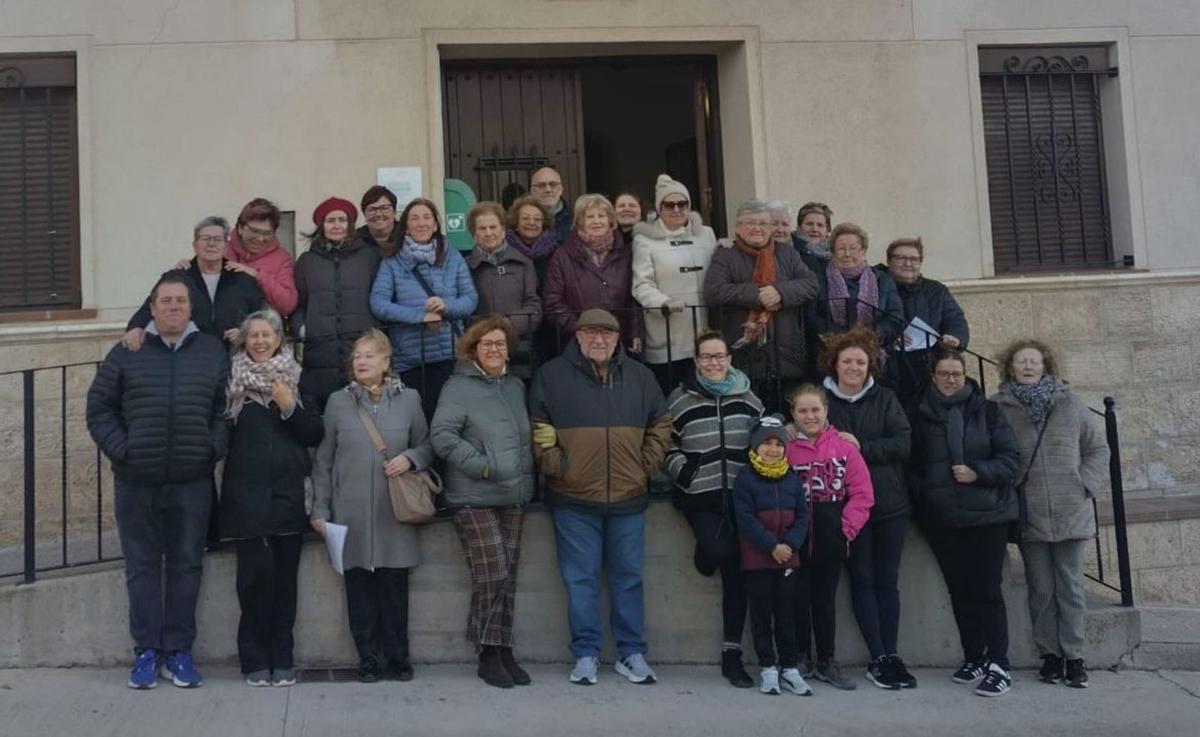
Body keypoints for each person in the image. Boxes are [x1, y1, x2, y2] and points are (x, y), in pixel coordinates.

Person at [86, 273, 230, 690]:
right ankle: (147, 651)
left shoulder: (210, 350)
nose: (173, 307)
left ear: (190, 308)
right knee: (142, 567)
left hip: (192, 480)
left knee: (187, 566)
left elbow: (223, 408)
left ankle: (180, 652)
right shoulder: (127, 351)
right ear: (152, 308)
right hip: (136, 481)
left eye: (181, 301)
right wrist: (124, 450)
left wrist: (212, 447)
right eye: (165, 300)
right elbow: (99, 408)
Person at [529, 308, 672, 686]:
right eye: (591, 333)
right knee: (581, 580)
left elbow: (661, 422)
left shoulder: (641, 377)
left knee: (629, 578)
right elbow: (539, 427)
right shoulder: (551, 376)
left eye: (607, 334)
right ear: (577, 337)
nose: (599, 340)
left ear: (618, 338)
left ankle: (631, 653)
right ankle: (587, 654)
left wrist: (645, 465)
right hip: (573, 499)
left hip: (628, 497)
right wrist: (558, 465)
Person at [310, 329, 433, 683]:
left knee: (395, 589)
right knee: (359, 591)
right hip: (351, 513)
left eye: (369, 355)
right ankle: (369, 659)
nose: (360, 361)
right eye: (357, 356)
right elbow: (324, 460)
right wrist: (320, 509)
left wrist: (410, 459)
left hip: (394, 511)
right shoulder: (338, 402)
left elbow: (426, 445)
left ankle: (398, 657)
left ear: (386, 361)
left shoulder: (409, 399)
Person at [992, 340, 1108, 689]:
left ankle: (1074, 655)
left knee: (1071, 586)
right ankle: (1049, 656)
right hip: (1030, 513)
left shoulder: (1070, 404)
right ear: (1010, 368)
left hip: (1070, 508)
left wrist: (1084, 485)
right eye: (1021, 362)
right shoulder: (998, 407)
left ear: (1046, 366)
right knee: (1040, 589)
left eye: (1034, 361)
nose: (1028, 367)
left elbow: (1097, 449)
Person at [219, 309, 323, 687]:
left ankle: (283, 657)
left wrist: (288, 406)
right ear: (244, 341)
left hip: (287, 494)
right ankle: (253, 659)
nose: (260, 341)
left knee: (284, 585)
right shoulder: (231, 382)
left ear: (279, 340)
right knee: (252, 583)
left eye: (267, 335)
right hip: (245, 497)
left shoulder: (296, 379)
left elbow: (314, 432)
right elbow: (220, 437)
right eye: (253, 336)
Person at [430, 316, 536, 689]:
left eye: (501, 344)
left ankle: (503, 649)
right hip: (473, 495)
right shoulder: (458, 387)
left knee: (508, 576)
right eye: (487, 344)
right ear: (473, 349)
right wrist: (484, 467)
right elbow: (441, 435)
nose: (495, 350)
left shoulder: (514, 385)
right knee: (491, 572)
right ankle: (488, 653)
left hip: (514, 494)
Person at [909, 348, 1020, 697]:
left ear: (965, 375)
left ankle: (999, 663)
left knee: (987, 589)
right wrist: (925, 494)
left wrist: (977, 472)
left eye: (956, 374)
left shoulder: (987, 411)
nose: (951, 380)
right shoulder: (920, 414)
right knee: (959, 591)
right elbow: (912, 464)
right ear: (933, 377)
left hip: (987, 514)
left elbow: (1010, 460)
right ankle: (974, 655)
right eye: (944, 374)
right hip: (942, 517)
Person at [665, 329, 763, 688]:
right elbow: (666, 445)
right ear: (696, 361)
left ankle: (732, 654)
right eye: (706, 357)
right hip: (699, 495)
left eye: (719, 356)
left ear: (729, 359)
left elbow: (763, 441)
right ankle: (706, 553)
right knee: (720, 550)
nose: (713, 363)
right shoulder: (679, 400)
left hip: (741, 498)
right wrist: (684, 471)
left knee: (738, 572)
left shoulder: (750, 398)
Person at [818, 327, 916, 689]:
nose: (854, 367)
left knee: (887, 581)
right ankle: (877, 656)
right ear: (835, 364)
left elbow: (903, 443)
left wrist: (862, 447)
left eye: (861, 362)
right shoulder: (824, 403)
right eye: (847, 361)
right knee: (862, 579)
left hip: (889, 503)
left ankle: (891, 654)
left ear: (870, 365)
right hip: (847, 509)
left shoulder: (886, 399)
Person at [785, 383, 874, 692]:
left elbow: (862, 494)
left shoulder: (844, 448)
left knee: (824, 600)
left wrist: (845, 529)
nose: (810, 416)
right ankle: (799, 658)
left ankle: (827, 660)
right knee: (797, 598)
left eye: (815, 410)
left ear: (826, 411)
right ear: (793, 414)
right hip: (794, 537)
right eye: (802, 410)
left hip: (830, 536)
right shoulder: (785, 448)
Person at [370, 197, 478, 421]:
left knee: (451, 420)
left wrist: (447, 306)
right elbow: (378, 303)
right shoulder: (392, 261)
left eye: (427, 217)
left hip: (450, 355)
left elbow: (470, 299)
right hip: (411, 359)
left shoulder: (453, 256)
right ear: (406, 226)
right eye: (415, 218)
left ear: (436, 224)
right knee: (420, 423)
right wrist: (420, 317)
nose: (422, 223)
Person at [704, 199, 817, 413]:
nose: (757, 228)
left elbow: (811, 284)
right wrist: (759, 295)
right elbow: (714, 291)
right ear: (738, 227)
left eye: (764, 224)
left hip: (785, 361)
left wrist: (780, 293)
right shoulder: (725, 255)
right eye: (750, 223)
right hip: (744, 360)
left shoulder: (787, 253)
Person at [733, 414, 811, 696]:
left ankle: (789, 666)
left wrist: (790, 544)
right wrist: (771, 546)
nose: (773, 449)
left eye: (778, 444)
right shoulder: (745, 478)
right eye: (766, 444)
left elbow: (803, 516)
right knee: (762, 615)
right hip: (758, 561)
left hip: (788, 560)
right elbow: (745, 518)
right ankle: (768, 666)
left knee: (786, 613)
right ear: (755, 447)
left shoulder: (791, 478)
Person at [292, 196, 382, 414]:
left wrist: (375, 330)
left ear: (350, 225)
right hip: (320, 352)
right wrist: (303, 329)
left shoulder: (369, 257)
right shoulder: (306, 261)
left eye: (342, 220)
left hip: (361, 349)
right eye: (331, 220)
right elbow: (299, 304)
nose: (337, 225)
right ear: (322, 226)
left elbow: (379, 296)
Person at [123, 216, 265, 350]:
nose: (211, 244)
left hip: (233, 358)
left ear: (226, 246)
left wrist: (245, 333)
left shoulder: (242, 280)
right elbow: (152, 305)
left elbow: (261, 316)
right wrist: (135, 327)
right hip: (190, 358)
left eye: (217, 239)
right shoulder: (177, 277)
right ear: (195, 245)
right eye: (205, 239)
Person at [632, 174, 718, 394]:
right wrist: (663, 303)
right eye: (669, 204)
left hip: (703, 334)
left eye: (683, 204)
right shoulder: (645, 239)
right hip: (668, 334)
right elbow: (642, 284)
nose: (677, 209)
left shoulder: (706, 235)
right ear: (659, 208)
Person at [542, 194, 643, 356]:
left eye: (601, 216)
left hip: (618, 341)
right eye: (590, 217)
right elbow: (553, 302)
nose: (596, 221)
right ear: (580, 222)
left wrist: (634, 332)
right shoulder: (562, 255)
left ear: (610, 220)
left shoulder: (626, 253)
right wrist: (581, 328)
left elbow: (634, 298)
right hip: (576, 342)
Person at [879, 237, 970, 409]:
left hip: (926, 366)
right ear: (889, 261)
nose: (908, 263)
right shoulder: (877, 286)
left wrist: (955, 338)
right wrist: (890, 335)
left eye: (914, 259)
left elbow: (955, 319)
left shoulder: (936, 290)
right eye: (901, 258)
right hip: (890, 368)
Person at [807, 222, 904, 356]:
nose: (847, 254)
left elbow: (895, 317)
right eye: (841, 248)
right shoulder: (818, 280)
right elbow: (811, 317)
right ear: (833, 251)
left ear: (863, 250)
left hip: (876, 354)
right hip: (829, 354)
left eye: (853, 248)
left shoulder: (882, 280)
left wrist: (870, 336)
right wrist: (845, 338)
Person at [464, 200, 541, 351]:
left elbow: (534, 304)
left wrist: (509, 325)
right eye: (482, 228)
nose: (488, 233)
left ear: (503, 230)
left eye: (493, 227)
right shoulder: (465, 266)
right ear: (474, 234)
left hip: (519, 345)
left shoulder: (524, 263)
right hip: (480, 346)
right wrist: (486, 331)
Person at [224, 198, 299, 317]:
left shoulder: (282, 259)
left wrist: (257, 275)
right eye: (255, 231)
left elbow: (288, 305)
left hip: (262, 331)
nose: (260, 239)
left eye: (267, 233)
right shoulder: (222, 251)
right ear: (240, 228)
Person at [504, 194, 559, 286]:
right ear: (516, 223)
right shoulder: (504, 251)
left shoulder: (556, 253)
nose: (531, 223)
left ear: (544, 224)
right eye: (525, 218)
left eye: (537, 219)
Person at [356, 185, 402, 258]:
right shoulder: (354, 241)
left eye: (384, 208)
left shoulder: (406, 237)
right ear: (364, 214)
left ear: (394, 212)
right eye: (372, 209)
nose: (378, 214)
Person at [530, 166, 571, 244]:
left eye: (553, 184)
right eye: (541, 185)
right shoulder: (521, 222)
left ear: (561, 189)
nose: (548, 189)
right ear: (533, 191)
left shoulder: (576, 221)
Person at [792, 202, 833, 274]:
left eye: (820, 225)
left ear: (827, 230)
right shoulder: (790, 251)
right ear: (799, 227)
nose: (815, 229)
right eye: (809, 224)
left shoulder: (836, 256)